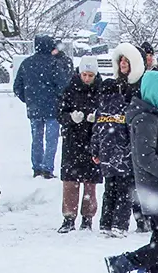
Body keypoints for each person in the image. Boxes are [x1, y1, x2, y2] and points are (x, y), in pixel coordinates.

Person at [104, 71, 158, 273]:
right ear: (156, 93)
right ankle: (123, 263)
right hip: (157, 191)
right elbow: (145, 158)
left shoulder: (152, 118)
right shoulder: (145, 120)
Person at [90, 43, 146, 236]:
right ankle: (115, 224)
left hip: (125, 144)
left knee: (121, 188)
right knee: (119, 188)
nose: (122, 64)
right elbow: (99, 126)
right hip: (117, 145)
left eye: (126, 60)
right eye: (120, 60)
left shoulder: (139, 85)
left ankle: (118, 222)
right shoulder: (113, 88)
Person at [13, 34, 71, 179]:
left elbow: (17, 87)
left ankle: (37, 167)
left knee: (36, 138)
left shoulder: (26, 63)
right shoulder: (54, 64)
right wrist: (58, 99)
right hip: (52, 108)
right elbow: (63, 86)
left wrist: (28, 99)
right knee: (51, 139)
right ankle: (47, 168)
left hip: (34, 108)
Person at [57, 56, 103, 233]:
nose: (87, 78)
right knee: (70, 182)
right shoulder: (69, 89)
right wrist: (70, 118)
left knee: (90, 182)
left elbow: (106, 111)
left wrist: (96, 118)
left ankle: (88, 218)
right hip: (73, 140)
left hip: (92, 140)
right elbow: (59, 113)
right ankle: (68, 218)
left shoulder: (101, 90)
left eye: (90, 75)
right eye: (84, 74)